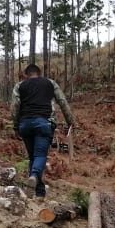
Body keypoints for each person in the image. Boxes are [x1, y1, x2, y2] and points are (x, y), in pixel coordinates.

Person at [10, 63, 74, 199]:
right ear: (39, 74)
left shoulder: (20, 85)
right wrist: (70, 122)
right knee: (40, 155)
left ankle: (38, 192)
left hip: (25, 124)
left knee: (33, 157)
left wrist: (15, 126)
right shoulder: (50, 83)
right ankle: (34, 176)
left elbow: (15, 106)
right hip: (43, 124)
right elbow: (62, 101)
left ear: (26, 75)